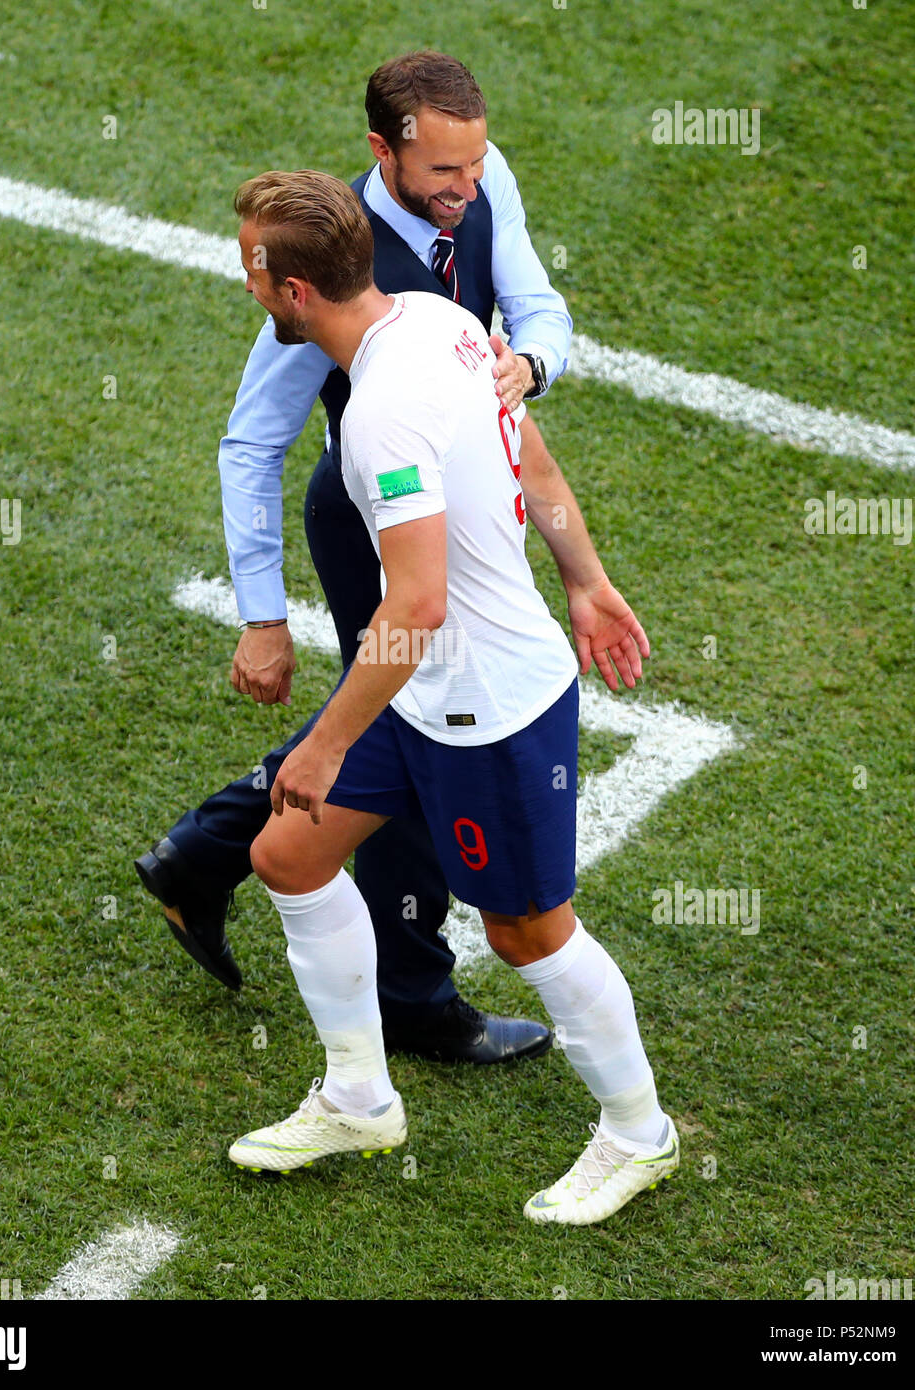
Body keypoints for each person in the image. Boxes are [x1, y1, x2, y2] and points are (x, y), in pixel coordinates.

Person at [136, 51, 632, 1064]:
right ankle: (408, 990)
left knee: (402, 703)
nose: (468, 188)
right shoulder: (316, 278)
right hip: (371, 511)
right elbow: (252, 442)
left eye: (475, 167)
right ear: (384, 151)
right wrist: (264, 613)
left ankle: (210, 848)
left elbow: (536, 309)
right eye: (444, 173)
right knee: (417, 695)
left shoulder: (472, 208)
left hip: (451, 474)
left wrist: (528, 366)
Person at [224, 169, 678, 1226]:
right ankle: (358, 1096)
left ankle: (640, 1134)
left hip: (486, 703)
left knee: (528, 932)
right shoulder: (434, 316)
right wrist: (587, 577)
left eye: (252, 264)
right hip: (425, 692)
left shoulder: (378, 415)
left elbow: (417, 604)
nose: (243, 277)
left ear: (295, 291)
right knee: (289, 853)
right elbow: (531, 452)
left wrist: (328, 742)